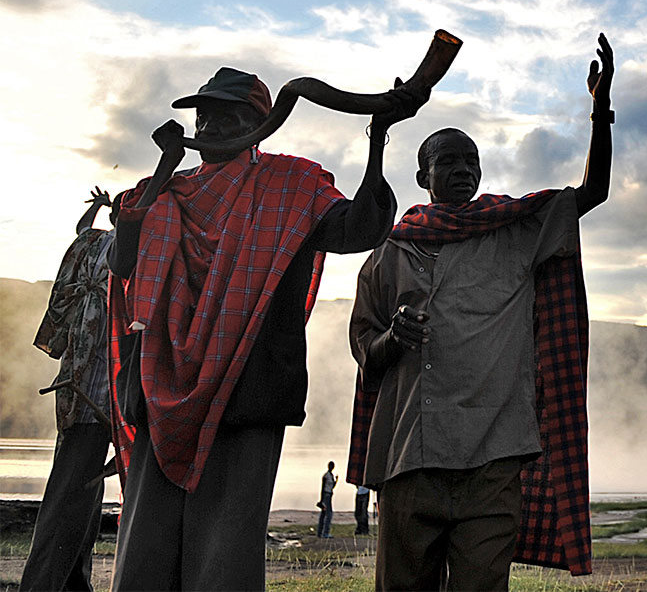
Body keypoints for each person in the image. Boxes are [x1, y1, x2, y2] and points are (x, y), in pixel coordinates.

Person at [107, 66, 424, 590]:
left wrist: (377, 138)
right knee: (148, 542)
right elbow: (123, 262)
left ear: (258, 124)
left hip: (248, 385)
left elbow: (363, 228)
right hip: (159, 387)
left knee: (227, 547)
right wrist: (166, 164)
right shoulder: (162, 192)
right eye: (202, 115)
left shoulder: (291, 185)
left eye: (224, 115)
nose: (207, 126)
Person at [347, 34, 614, 589]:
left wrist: (600, 109)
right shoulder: (389, 254)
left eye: (472, 160)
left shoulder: (512, 233)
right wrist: (394, 339)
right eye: (448, 160)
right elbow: (366, 355)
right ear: (423, 176)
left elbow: (592, 192)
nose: (463, 169)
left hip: (493, 460)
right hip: (408, 460)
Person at [21, 188, 118, 591]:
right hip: (89, 378)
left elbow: (83, 230)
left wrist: (98, 208)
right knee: (77, 484)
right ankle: (55, 583)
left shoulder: (121, 244)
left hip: (93, 380)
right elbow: (84, 231)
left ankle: (63, 582)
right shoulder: (108, 245)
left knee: (78, 485)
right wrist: (98, 208)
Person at [318, 462, 338, 538]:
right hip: (326, 495)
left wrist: (336, 481)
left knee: (324, 514)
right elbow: (322, 488)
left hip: (329, 494)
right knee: (328, 514)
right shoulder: (326, 476)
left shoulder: (331, 476)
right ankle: (325, 533)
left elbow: (332, 486)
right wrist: (321, 499)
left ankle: (320, 533)